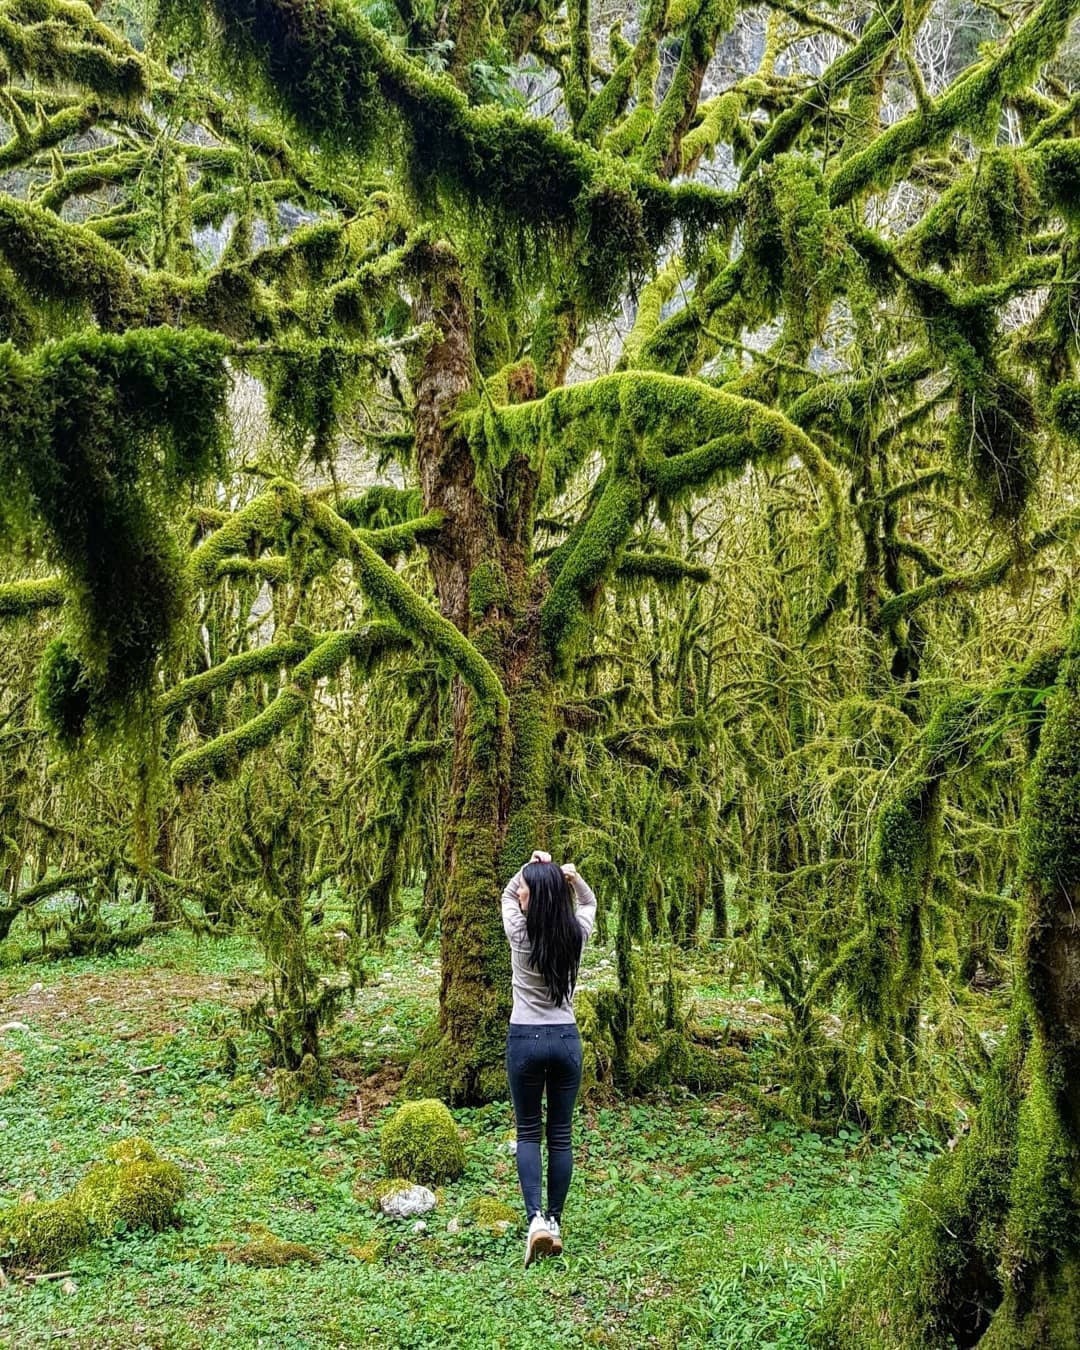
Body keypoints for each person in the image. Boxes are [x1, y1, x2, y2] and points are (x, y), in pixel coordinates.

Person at [501, 847, 597, 1268]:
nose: (519, 893)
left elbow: (507, 893)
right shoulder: (574, 933)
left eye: (525, 890)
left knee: (528, 1133)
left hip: (524, 1037)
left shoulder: (519, 934)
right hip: (565, 1040)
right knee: (560, 1134)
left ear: (531, 899)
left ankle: (535, 1219)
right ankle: (555, 1222)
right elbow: (590, 903)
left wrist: (533, 867)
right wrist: (567, 877)